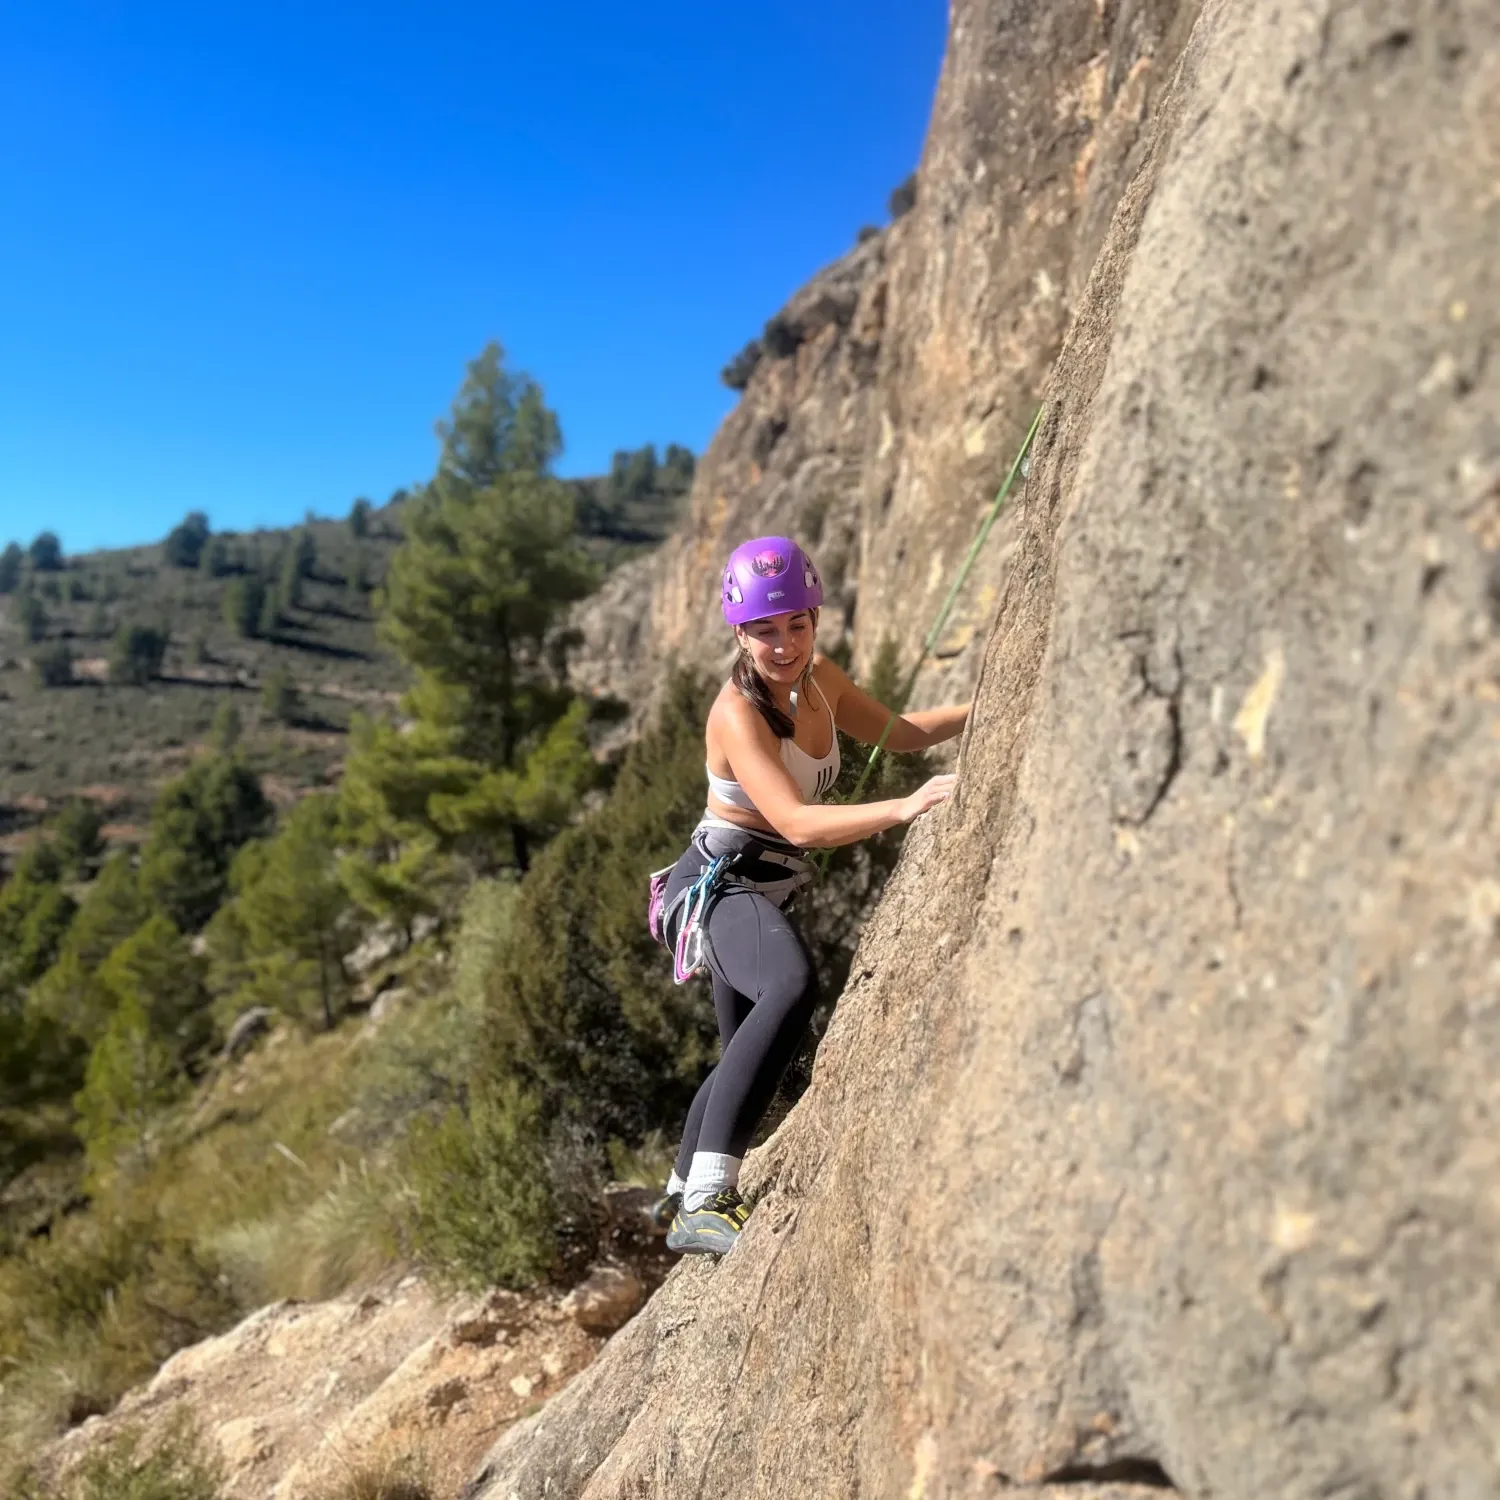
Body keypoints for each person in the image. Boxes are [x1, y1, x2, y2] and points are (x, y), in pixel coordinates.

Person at [654, 536, 968, 1255]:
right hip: (717, 888)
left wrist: (990, 702)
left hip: (761, 888)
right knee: (791, 987)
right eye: (765, 629)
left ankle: (676, 1190)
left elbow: (902, 733)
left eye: (797, 622)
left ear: (815, 618)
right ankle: (705, 1200)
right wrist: (902, 808)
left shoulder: (820, 679)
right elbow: (794, 822)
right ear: (739, 632)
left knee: (747, 1050)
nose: (784, 642)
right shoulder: (738, 713)